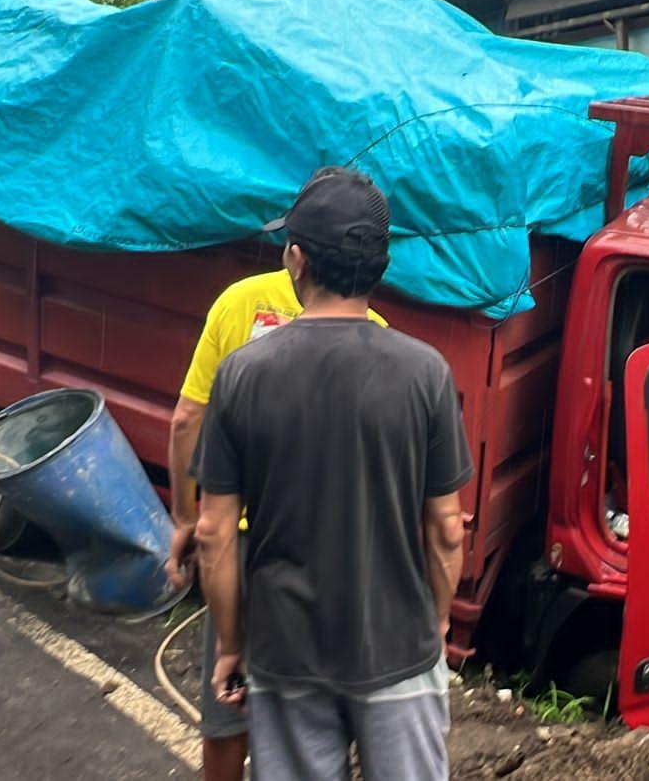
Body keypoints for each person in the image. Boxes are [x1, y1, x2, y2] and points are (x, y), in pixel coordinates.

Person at [194, 167, 470, 781]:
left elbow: (214, 534)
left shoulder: (242, 373)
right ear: (379, 264)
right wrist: (440, 618)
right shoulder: (425, 372)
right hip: (399, 650)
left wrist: (233, 646)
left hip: (285, 652)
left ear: (297, 260)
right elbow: (447, 528)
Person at [165, 268, 384, 781]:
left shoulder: (239, 299)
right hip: (320, 549)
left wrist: (184, 514)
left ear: (299, 251)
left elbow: (186, 419)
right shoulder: (375, 330)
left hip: (236, 544)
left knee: (227, 706)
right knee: (301, 719)